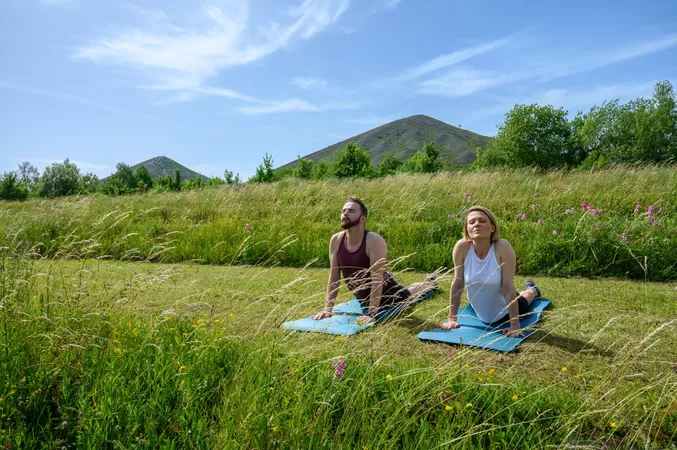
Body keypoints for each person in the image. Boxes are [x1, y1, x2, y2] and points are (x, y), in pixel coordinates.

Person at [311, 197, 438, 323]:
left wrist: (372, 313)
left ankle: (430, 283)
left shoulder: (374, 240)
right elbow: (334, 277)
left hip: (387, 293)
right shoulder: (336, 240)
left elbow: (376, 280)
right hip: (363, 296)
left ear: (363, 219)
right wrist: (328, 309)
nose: (345, 213)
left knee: (408, 295)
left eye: (351, 211)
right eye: (344, 210)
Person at [440, 205, 542, 337]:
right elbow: (458, 283)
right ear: (467, 229)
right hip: (479, 309)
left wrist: (515, 325)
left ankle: (532, 290)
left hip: (505, 309)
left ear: (492, 228)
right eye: (472, 222)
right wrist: (452, 319)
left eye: (482, 221)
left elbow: (508, 286)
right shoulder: (462, 247)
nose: (477, 224)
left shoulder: (502, 247)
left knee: (524, 299)